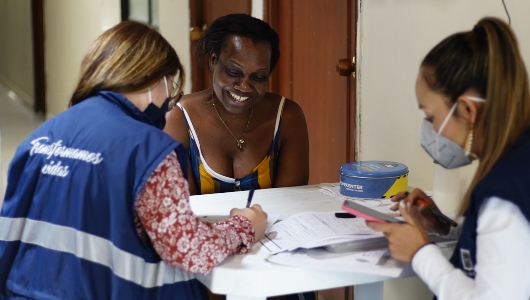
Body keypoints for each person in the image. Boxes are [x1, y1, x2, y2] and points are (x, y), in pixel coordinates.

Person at [0, 21, 267, 300]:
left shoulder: (41, 138)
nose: (170, 99)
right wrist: (245, 225)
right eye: (171, 84)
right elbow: (192, 251)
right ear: (154, 78)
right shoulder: (149, 151)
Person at [368, 17, 530, 299]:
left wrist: (420, 253)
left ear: (467, 110)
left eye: (431, 117)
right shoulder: (518, 161)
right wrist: (445, 225)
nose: (429, 130)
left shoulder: (504, 191)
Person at [164, 13, 309, 195]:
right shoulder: (179, 118)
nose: (245, 87)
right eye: (233, 72)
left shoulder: (287, 116)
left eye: (259, 77)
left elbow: (292, 202)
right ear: (213, 61)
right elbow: (183, 208)